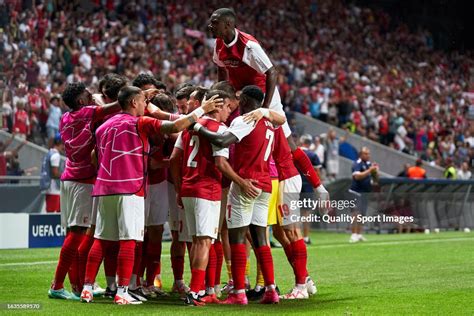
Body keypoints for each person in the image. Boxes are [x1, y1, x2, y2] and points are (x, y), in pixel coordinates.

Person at [80, 86, 222, 305]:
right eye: (143, 102)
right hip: (130, 188)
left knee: (101, 238)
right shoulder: (141, 122)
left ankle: (87, 288)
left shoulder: (103, 126)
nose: (146, 106)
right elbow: (175, 126)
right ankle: (123, 291)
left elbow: (94, 157)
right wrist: (201, 110)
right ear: (134, 103)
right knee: (129, 239)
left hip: (103, 187)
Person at [208, 8, 327, 199]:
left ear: (228, 25)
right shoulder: (218, 44)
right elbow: (222, 70)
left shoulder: (249, 45)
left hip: (262, 95)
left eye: (214, 23)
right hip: (240, 95)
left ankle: (318, 186)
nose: (210, 26)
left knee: (289, 145)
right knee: (224, 128)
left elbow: (272, 72)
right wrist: (221, 92)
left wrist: (265, 108)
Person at [194, 85, 286, 305]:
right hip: (265, 185)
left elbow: (222, 141)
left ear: (244, 99)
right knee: (261, 238)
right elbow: (281, 119)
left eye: (239, 96)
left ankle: (238, 293)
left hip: (246, 184)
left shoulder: (244, 120)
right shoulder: (270, 123)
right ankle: (271, 290)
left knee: (236, 238)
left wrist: (196, 127)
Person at [48, 82, 121, 301]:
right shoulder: (87, 112)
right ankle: (57, 285)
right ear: (81, 101)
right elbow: (116, 107)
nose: (92, 95)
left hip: (69, 179)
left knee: (73, 233)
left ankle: (77, 286)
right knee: (78, 233)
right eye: (88, 94)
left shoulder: (65, 118)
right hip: (83, 181)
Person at [170, 90, 232, 305]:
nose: (229, 112)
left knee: (197, 241)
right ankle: (196, 292)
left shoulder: (189, 126)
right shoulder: (219, 129)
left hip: (188, 188)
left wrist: (179, 188)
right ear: (217, 106)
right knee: (205, 241)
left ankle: (201, 290)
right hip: (207, 189)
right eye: (227, 108)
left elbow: (174, 158)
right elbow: (220, 164)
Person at [349, 147, 379, 243]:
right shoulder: (357, 163)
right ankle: (353, 235)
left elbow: (375, 181)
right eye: (366, 154)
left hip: (365, 192)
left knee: (362, 214)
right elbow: (357, 176)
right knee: (355, 213)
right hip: (356, 192)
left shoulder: (369, 164)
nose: (368, 156)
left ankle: (359, 234)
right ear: (361, 155)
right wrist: (370, 170)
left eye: (369, 154)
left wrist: (376, 172)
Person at [298, 134, 322, 245]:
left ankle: (295, 237)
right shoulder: (312, 155)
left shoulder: (294, 152)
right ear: (309, 143)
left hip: (294, 184)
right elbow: (317, 173)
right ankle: (306, 237)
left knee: (292, 212)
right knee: (306, 213)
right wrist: (318, 187)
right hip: (307, 185)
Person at [40, 135, 63, 213]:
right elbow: (54, 174)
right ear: (60, 143)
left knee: (51, 213)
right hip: (54, 189)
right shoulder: (56, 155)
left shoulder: (49, 153)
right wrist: (65, 175)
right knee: (52, 214)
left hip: (49, 188)